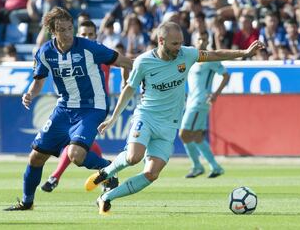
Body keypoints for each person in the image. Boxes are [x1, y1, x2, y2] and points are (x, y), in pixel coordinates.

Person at [84, 21, 264, 215]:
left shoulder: (187, 54)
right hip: (147, 116)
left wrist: (243, 53)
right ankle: (105, 173)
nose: (179, 48)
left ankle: (105, 198)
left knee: (152, 174)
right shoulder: (143, 62)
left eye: (180, 43)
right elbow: (129, 89)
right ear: (161, 41)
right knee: (133, 157)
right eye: (174, 44)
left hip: (170, 124)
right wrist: (112, 118)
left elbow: (215, 54)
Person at [4, 7, 132, 211]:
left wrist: (138, 77)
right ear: (53, 32)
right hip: (64, 108)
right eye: (62, 30)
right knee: (35, 157)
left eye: (70, 28)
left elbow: (127, 62)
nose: (67, 34)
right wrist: (30, 93)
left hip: (93, 107)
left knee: (76, 155)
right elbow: (38, 81)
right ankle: (27, 202)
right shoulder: (45, 51)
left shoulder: (90, 48)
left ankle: (107, 168)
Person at [40, 20, 129, 193]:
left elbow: (124, 62)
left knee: (76, 146)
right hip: (73, 106)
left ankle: (56, 176)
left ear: (96, 35)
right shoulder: (74, 52)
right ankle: (104, 173)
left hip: (95, 106)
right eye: (83, 34)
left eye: (90, 34)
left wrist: (125, 82)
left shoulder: (98, 52)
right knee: (79, 146)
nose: (87, 37)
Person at [179, 30, 229, 179]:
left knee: (184, 134)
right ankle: (215, 167)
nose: (202, 42)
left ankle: (197, 166)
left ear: (208, 42)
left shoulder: (211, 59)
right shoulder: (192, 58)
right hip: (192, 101)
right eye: (199, 39)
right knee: (197, 136)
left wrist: (215, 94)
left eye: (205, 40)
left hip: (200, 102)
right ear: (195, 41)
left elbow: (226, 75)